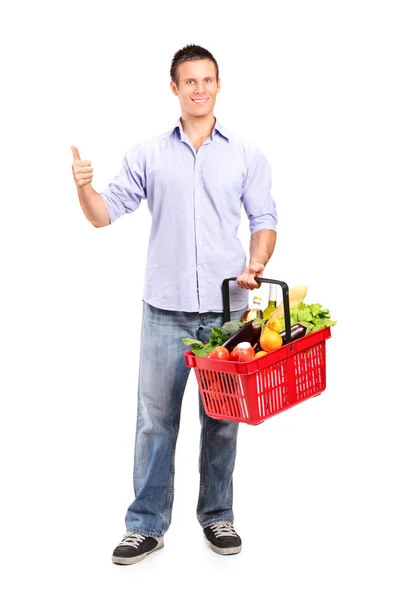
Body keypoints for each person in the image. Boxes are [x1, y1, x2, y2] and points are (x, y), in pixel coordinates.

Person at [71, 44, 277, 565]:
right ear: (174, 88)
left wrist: (254, 265)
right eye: (190, 82)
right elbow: (102, 215)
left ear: (218, 85)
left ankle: (217, 515)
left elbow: (264, 220)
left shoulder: (246, 154)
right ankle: (145, 525)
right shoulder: (147, 154)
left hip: (229, 312)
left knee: (222, 418)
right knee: (154, 421)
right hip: (165, 311)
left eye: (208, 80)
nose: (200, 89)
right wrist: (84, 189)